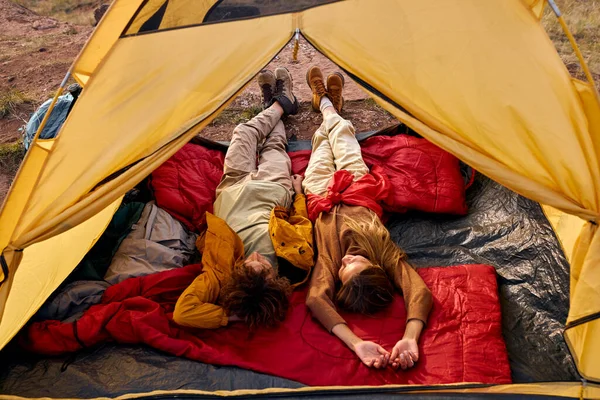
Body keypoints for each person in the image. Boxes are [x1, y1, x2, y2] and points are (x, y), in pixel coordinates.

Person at [303, 66, 433, 370]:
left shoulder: (331, 262)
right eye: (353, 265)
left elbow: (316, 300)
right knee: (343, 131)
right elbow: (419, 290)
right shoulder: (384, 255)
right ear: (374, 266)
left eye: (342, 272)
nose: (344, 263)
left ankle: (325, 104)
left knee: (321, 141)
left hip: (320, 193)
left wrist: (356, 343)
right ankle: (328, 105)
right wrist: (411, 336)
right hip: (357, 185)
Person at [173, 68, 314, 330]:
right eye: (265, 267)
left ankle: (276, 105)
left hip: (232, 186)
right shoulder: (294, 262)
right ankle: (280, 104)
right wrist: (298, 193)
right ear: (275, 279)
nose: (257, 257)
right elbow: (301, 224)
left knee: (243, 132)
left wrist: (230, 317)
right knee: (274, 145)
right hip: (273, 188)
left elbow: (183, 313)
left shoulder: (218, 276)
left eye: (250, 265)